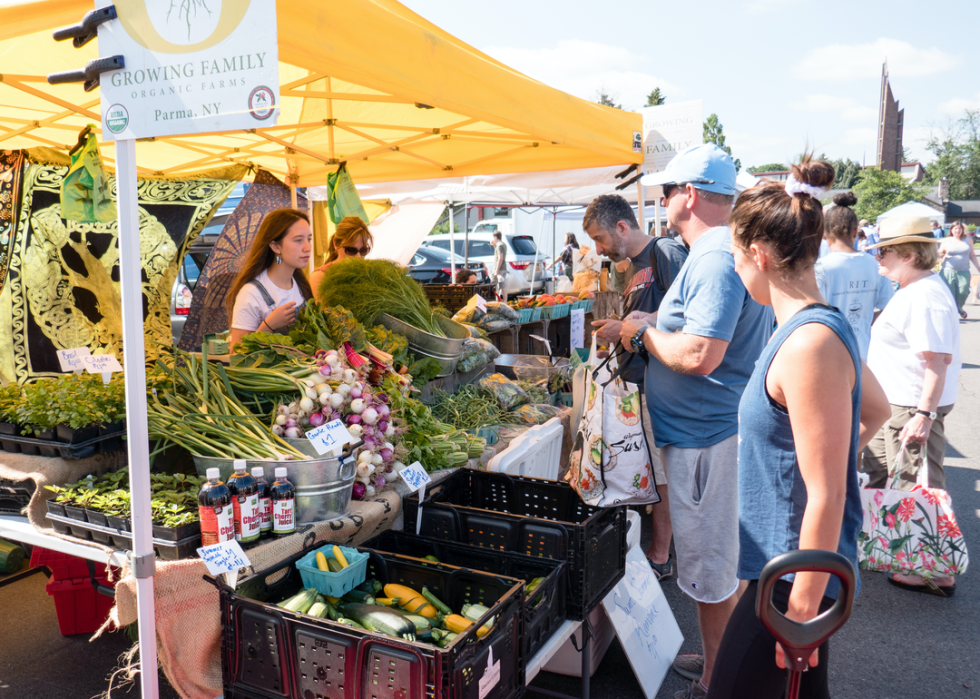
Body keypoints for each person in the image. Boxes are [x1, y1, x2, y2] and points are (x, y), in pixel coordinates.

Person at [705, 157, 890, 699]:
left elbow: (829, 492)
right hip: (783, 573)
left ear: (759, 255)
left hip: (792, 584)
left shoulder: (810, 342)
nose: (738, 272)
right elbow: (875, 408)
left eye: (737, 259)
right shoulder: (811, 327)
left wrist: (803, 611)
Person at [620, 144, 774, 699]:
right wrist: (653, 318)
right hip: (707, 432)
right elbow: (696, 325)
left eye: (666, 192)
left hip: (709, 437)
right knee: (716, 568)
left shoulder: (712, 257)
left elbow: (700, 354)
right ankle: (719, 658)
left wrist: (641, 335)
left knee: (711, 572)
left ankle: (718, 682)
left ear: (688, 195)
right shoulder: (714, 253)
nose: (661, 203)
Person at [584, 194, 688, 582]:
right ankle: (659, 549)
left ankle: (661, 555)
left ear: (622, 227)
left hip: (660, 383)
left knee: (661, 475)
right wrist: (621, 328)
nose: (598, 248)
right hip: (642, 382)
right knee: (654, 471)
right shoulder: (634, 266)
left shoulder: (664, 252)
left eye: (600, 238)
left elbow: (692, 313)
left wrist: (632, 328)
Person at [863, 214, 963, 597]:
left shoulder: (924, 297)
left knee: (917, 485)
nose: (878, 258)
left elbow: (936, 362)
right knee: (895, 478)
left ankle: (936, 572)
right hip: (900, 402)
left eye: (883, 251)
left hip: (910, 404)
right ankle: (901, 554)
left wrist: (924, 414)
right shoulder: (918, 290)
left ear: (907, 254)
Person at [814, 192, 894, 360]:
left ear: (824, 233)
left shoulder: (820, 268)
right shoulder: (876, 265)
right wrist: (865, 322)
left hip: (828, 356)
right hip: (864, 355)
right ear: (856, 232)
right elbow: (890, 308)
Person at [227, 209, 314, 353]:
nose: (308, 247)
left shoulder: (300, 285)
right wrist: (268, 326)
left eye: (309, 239)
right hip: (274, 375)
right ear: (275, 246)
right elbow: (236, 355)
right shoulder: (251, 294)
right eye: (298, 240)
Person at [308, 216, 374, 294]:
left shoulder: (370, 275)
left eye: (363, 250)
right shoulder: (320, 277)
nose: (358, 256)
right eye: (351, 250)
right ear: (336, 244)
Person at [938, 220, 980, 318]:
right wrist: (941, 253)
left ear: (962, 230)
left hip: (964, 271)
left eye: (959, 228)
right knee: (950, 293)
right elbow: (939, 253)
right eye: (955, 228)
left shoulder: (968, 240)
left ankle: (959, 308)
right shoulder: (946, 241)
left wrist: (978, 267)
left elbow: (972, 255)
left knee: (963, 291)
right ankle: (954, 312)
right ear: (951, 230)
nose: (957, 231)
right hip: (948, 271)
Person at [491, 230, 508, 302]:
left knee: (493, 286)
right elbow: (499, 254)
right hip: (504, 268)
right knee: (503, 286)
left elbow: (500, 258)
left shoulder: (499, 246)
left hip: (499, 269)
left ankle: (494, 301)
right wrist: (494, 245)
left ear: (495, 237)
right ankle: (505, 302)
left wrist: (496, 271)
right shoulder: (503, 245)